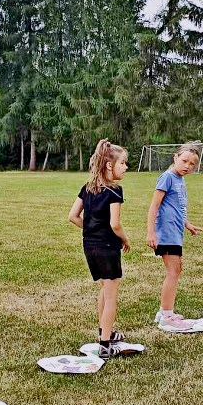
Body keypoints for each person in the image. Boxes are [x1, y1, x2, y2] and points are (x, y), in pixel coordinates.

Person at [68, 139, 131, 358]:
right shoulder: (115, 191)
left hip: (90, 247)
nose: (126, 167)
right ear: (109, 165)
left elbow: (73, 216)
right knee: (111, 297)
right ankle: (105, 345)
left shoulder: (87, 188)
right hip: (107, 247)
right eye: (123, 163)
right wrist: (125, 239)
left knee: (104, 289)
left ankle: (106, 331)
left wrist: (92, 229)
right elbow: (115, 224)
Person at [145, 144, 203, 328]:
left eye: (192, 164)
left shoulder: (180, 179)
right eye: (184, 161)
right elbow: (154, 206)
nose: (187, 166)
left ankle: (164, 312)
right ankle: (166, 315)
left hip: (175, 232)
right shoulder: (168, 177)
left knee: (176, 270)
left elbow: (176, 207)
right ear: (175, 157)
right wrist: (151, 232)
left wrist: (187, 224)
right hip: (166, 233)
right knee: (173, 271)